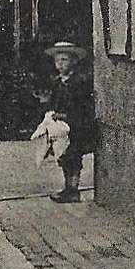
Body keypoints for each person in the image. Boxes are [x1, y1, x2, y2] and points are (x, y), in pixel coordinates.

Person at [39, 42, 95, 203]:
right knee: (62, 156)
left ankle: (73, 188)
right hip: (61, 126)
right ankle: (67, 186)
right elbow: (53, 103)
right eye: (57, 61)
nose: (60, 64)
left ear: (74, 61)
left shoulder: (80, 82)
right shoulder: (57, 83)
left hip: (77, 125)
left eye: (64, 60)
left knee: (74, 156)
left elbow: (82, 107)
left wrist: (65, 115)